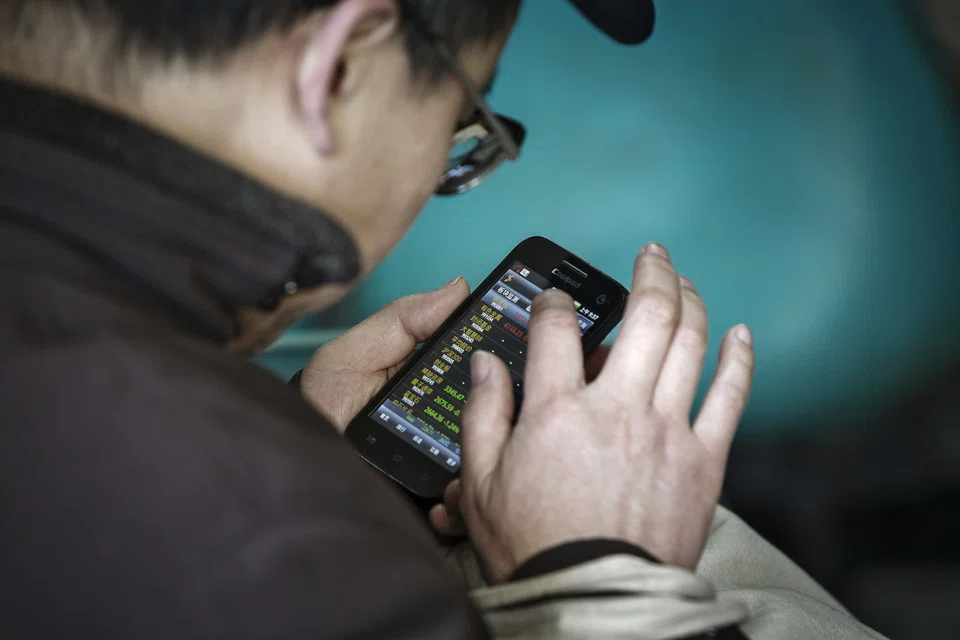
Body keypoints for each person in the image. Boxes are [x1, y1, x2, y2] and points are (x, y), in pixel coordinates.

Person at [0, 0, 887, 638]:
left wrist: (326, 463)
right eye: (465, 121)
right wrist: (602, 586)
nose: (442, 171)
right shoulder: (275, 555)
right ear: (336, 67)